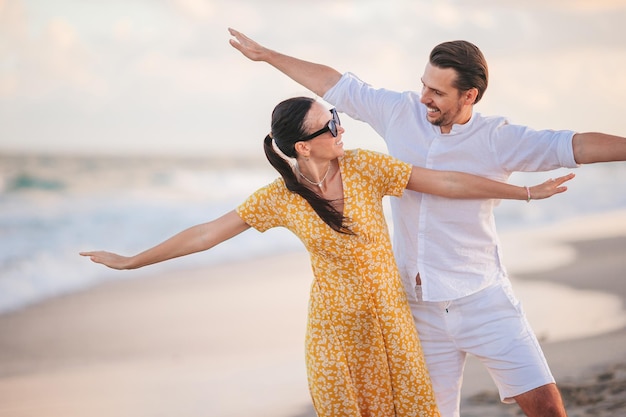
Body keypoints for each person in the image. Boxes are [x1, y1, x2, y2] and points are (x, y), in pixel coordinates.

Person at [81, 96, 572, 417]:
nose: (341, 126)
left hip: (393, 327)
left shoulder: (364, 168)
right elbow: (208, 233)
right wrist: (132, 261)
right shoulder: (280, 198)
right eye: (329, 125)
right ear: (303, 146)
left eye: (337, 117)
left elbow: (443, 182)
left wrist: (524, 194)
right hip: (335, 336)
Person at [227, 28, 626, 417]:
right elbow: (335, 84)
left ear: (468, 95)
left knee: (546, 406)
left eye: (437, 92)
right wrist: (268, 56)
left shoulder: (499, 138)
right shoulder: (400, 111)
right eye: (424, 85)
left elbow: (575, 145)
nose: (424, 98)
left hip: (481, 297)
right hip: (416, 309)